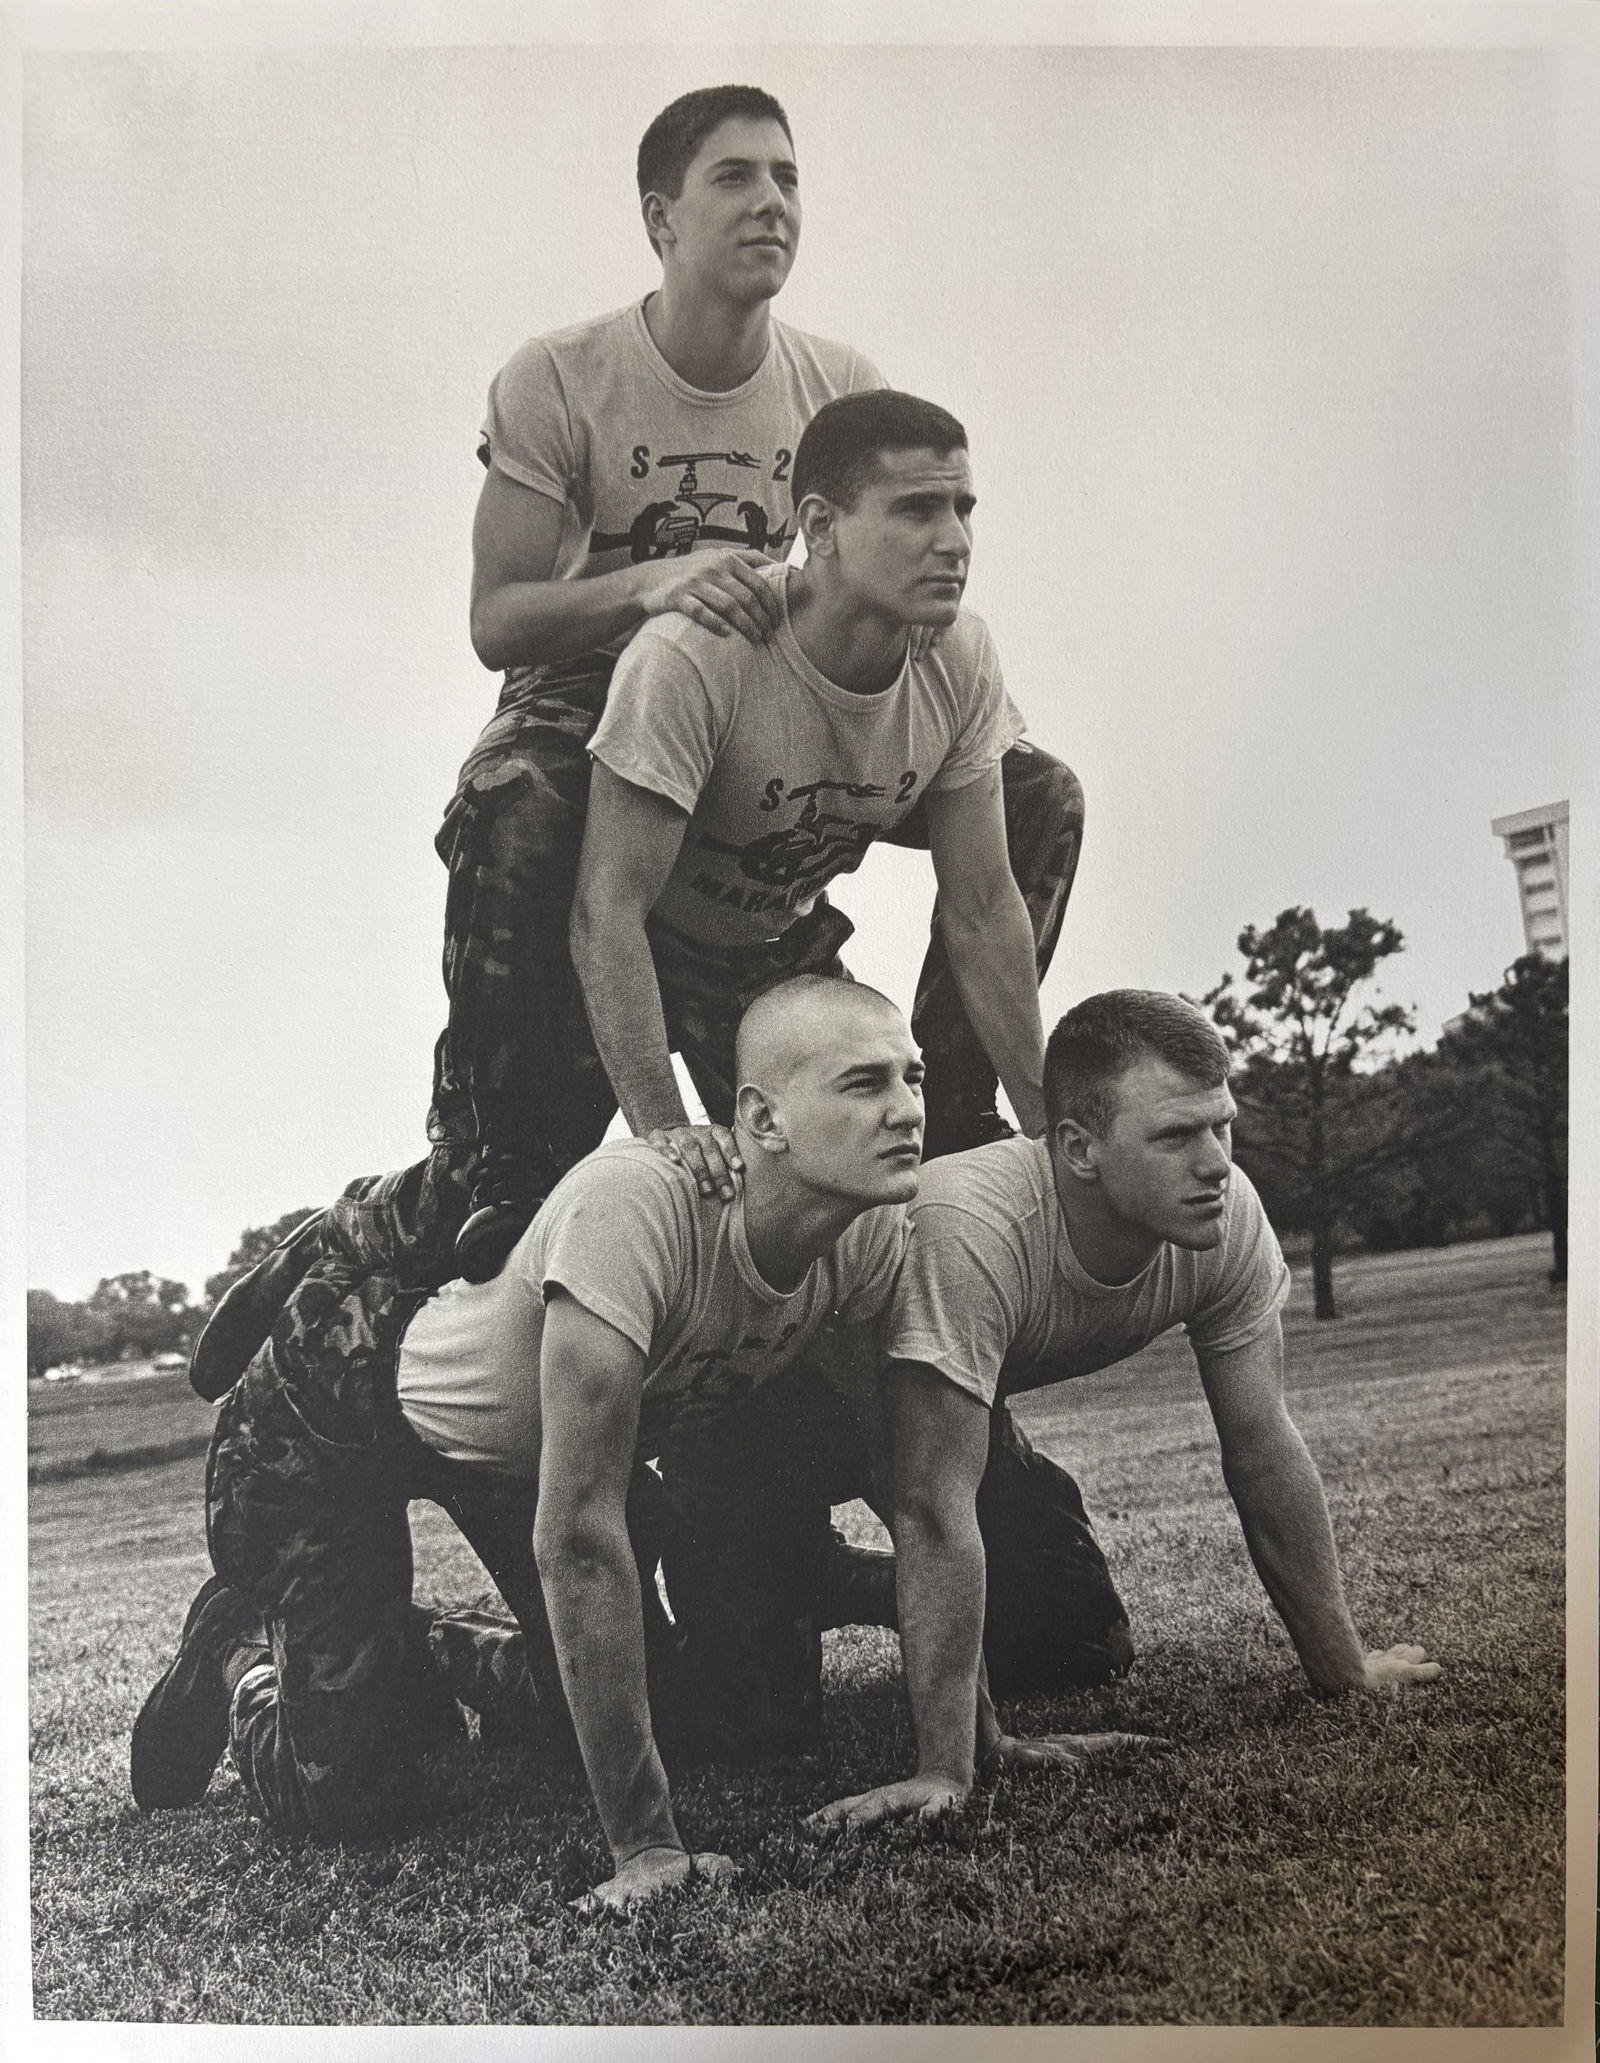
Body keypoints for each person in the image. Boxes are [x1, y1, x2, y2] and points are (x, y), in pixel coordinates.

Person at [134, 977, 919, 1910]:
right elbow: (579, 1537)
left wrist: (964, 1747)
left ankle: (415, 1649)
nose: (908, 1108)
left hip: (515, 1447)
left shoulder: (870, 1238)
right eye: (865, 1083)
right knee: (355, 1794)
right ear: (763, 1117)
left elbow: (914, 1489)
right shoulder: (636, 1208)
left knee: (654, 1712)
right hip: (339, 1396)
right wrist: (646, 1848)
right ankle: (239, 1647)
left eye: (914, 1075)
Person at [811, 990, 1443, 1833]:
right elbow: (926, 1501)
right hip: (782, 1415)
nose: (1216, 1161)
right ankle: (805, 1572)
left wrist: (1344, 1668)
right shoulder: (971, 1228)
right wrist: (951, 1766)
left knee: (1076, 1637)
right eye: (1177, 1137)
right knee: (746, 1720)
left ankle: (849, 1584)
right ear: (1078, 1147)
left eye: (1222, 1125)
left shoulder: (1226, 1216)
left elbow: (1260, 1444)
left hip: (947, 1403)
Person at [569, 385, 1072, 1214]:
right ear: (822, 527)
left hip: (772, 942)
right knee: (520, 1202)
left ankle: (956, 1119)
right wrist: (666, 1133)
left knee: (864, 1197)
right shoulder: (700, 657)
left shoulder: (960, 654)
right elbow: (608, 910)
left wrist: (1051, 1131)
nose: (954, 541)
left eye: (963, 508)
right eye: (916, 511)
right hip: (636, 956)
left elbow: (983, 904)